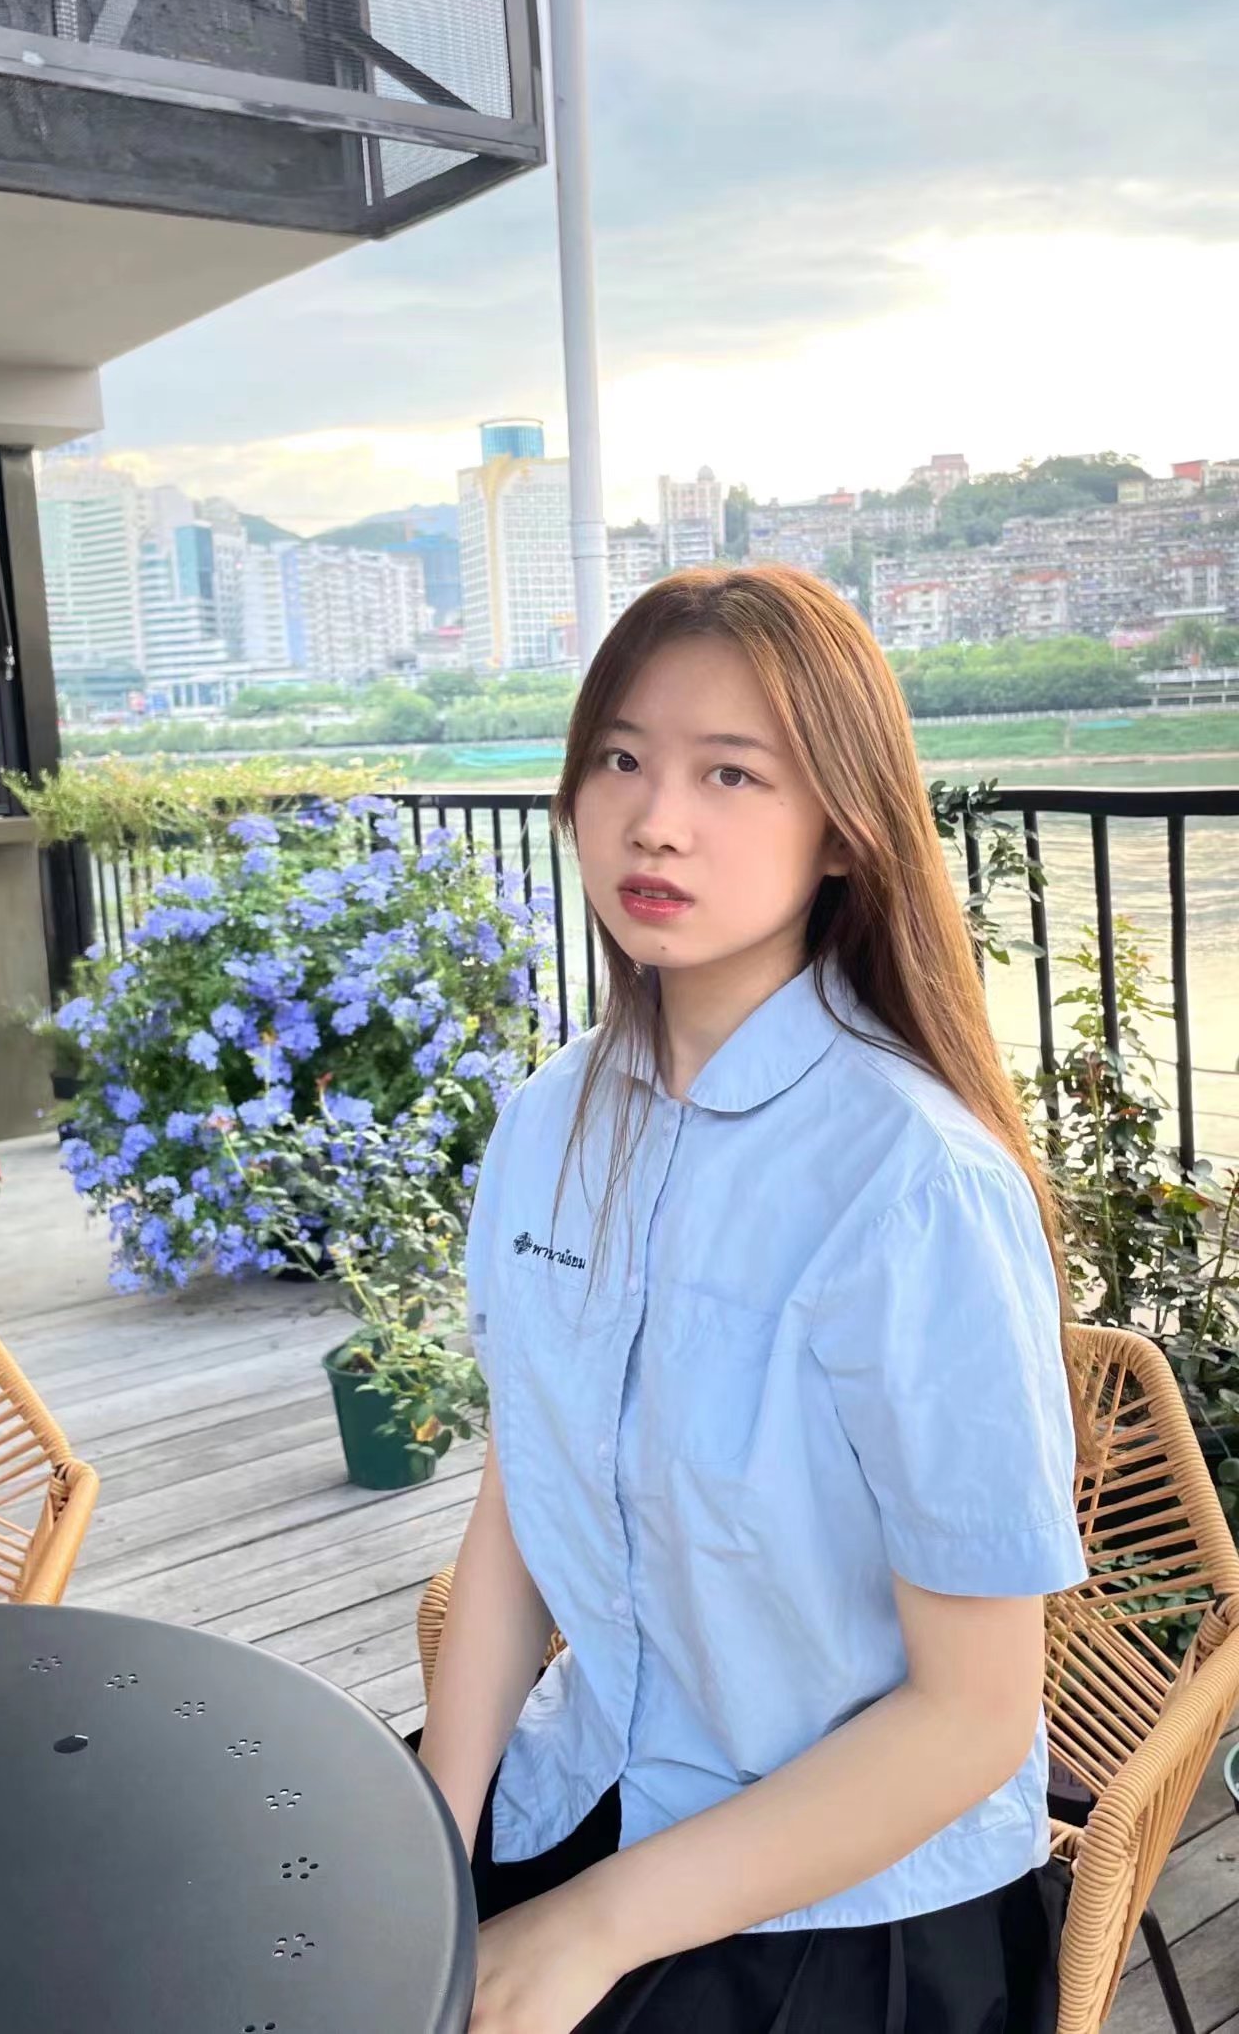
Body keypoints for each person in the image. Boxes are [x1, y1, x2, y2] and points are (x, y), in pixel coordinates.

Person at [416, 567, 1086, 2034]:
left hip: (853, 1900)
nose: (657, 820)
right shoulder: (549, 1123)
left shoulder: (912, 1182)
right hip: (587, 1783)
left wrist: (585, 1930)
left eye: (731, 772)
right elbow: (524, 1498)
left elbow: (973, 1716)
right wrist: (431, 1843)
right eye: (622, 758)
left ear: (842, 826)